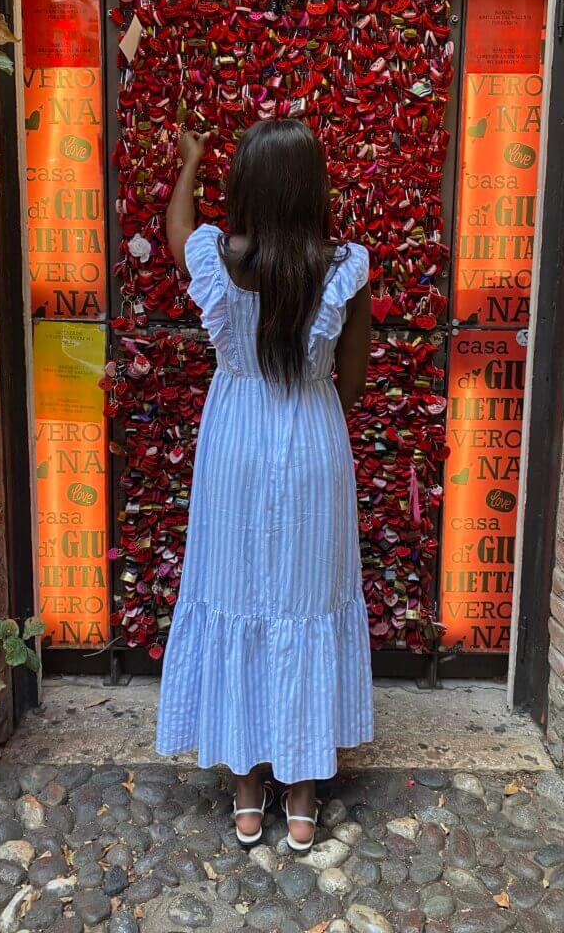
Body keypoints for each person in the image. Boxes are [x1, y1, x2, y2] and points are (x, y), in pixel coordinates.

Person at [155, 118, 374, 851]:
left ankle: (249, 790)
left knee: (239, 595)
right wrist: (309, 419)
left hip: (233, 448)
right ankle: (303, 791)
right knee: (308, 600)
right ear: (313, 187)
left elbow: (177, 227)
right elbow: (353, 383)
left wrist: (189, 162)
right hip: (313, 443)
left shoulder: (220, 257)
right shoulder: (342, 267)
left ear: (245, 183)